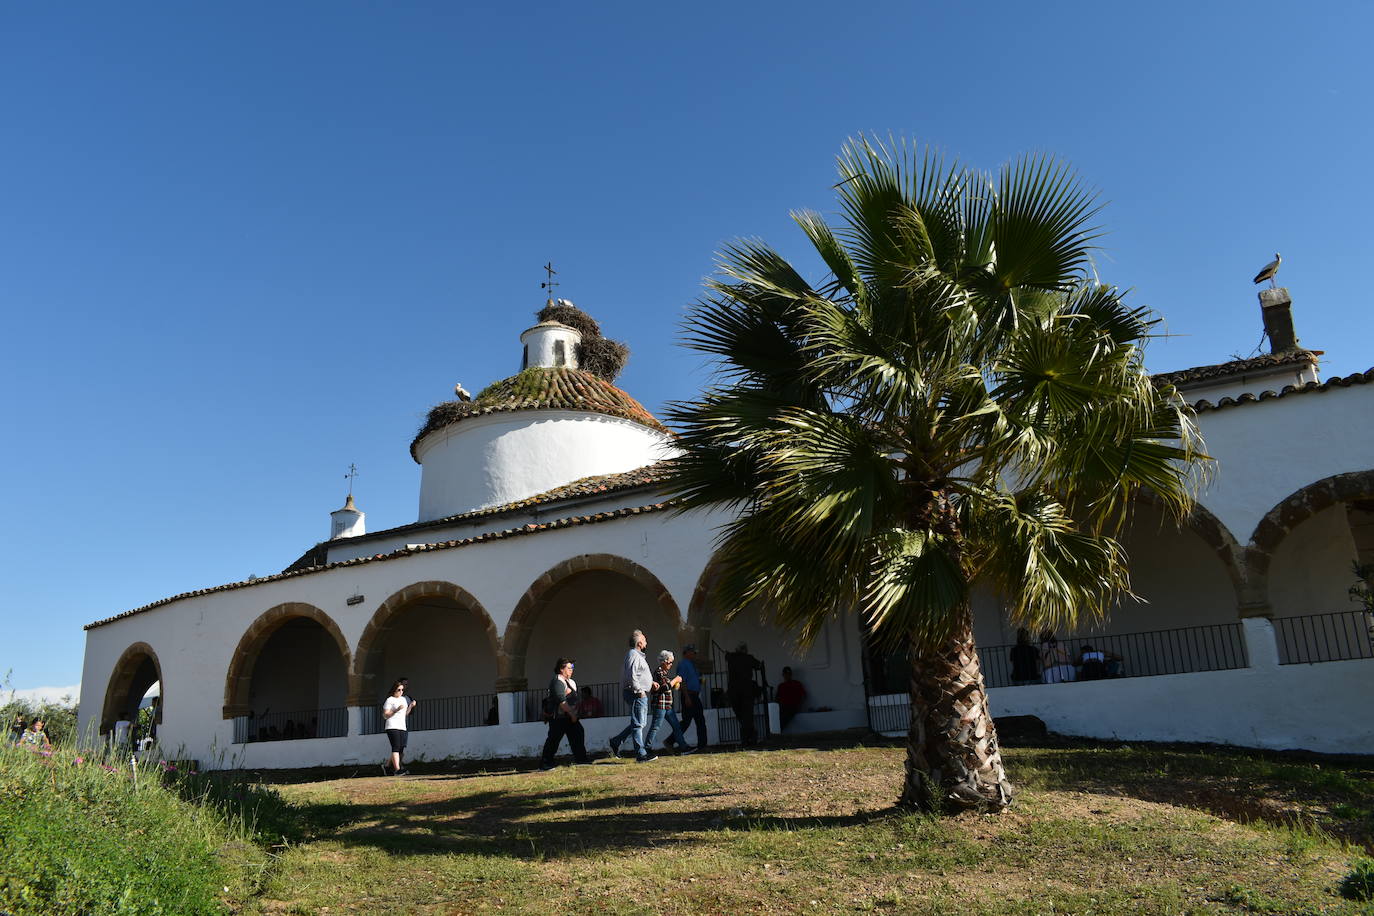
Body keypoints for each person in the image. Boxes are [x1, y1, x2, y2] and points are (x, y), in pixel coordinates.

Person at [609, 629, 656, 762]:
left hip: (638, 692)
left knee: (639, 723)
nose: (646, 642)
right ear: (640, 643)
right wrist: (639, 691)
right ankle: (641, 754)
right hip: (636, 693)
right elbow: (631, 675)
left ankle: (616, 741)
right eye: (645, 640)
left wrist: (651, 683)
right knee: (638, 724)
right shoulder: (634, 655)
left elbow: (638, 674)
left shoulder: (636, 655)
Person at [539, 658, 590, 769]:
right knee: (554, 740)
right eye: (569, 668)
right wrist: (572, 714)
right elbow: (561, 700)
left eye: (572, 668)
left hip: (568, 717)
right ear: (561, 669)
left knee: (578, 734)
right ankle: (546, 763)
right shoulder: (557, 681)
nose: (571, 670)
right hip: (559, 718)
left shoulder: (571, 682)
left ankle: (581, 760)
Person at [644, 650, 693, 754]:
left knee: (676, 726)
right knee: (655, 727)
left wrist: (674, 682)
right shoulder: (659, 672)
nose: (671, 665)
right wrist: (675, 680)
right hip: (660, 705)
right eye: (670, 662)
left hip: (667, 706)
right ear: (664, 662)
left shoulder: (664, 673)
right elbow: (664, 688)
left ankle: (683, 747)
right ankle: (647, 748)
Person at [670, 644, 708, 751]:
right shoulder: (683, 664)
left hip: (694, 695)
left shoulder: (692, 665)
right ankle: (670, 740)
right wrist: (686, 697)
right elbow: (681, 681)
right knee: (687, 721)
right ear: (686, 653)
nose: (695, 654)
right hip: (689, 695)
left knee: (699, 720)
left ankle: (702, 745)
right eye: (692, 652)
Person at [725, 642, 763, 745]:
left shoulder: (731, 657)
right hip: (746, 690)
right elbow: (759, 665)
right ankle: (749, 737)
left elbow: (727, 656)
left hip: (734, 691)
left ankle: (747, 737)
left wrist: (729, 654)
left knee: (741, 715)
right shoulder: (748, 658)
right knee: (747, 715)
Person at [380, 680, 413, 776]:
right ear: (394, 690)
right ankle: (397, 770)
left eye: (402, 690)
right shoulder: (390, 700)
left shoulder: (403, 699)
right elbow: (385, 715)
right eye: (399, 689)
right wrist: (396, 710)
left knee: (401, 749)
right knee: (396, 748)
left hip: (402, 726)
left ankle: (387, 766)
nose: (401, 692)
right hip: (392, 726)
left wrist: (410, 706)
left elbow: (405, 713)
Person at [775, 666, 806, 730]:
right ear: (783, 675)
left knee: (782, 719)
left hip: (792, 708)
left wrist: (799, 705)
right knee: (778, 717)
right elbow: (777, 699)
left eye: (789, 674)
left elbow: (803, 696)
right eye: (786, 674)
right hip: (783, 708)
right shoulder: (781, 686)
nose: (787, 676)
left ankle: (776, 732)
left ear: (791, 674)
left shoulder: (797, 684)